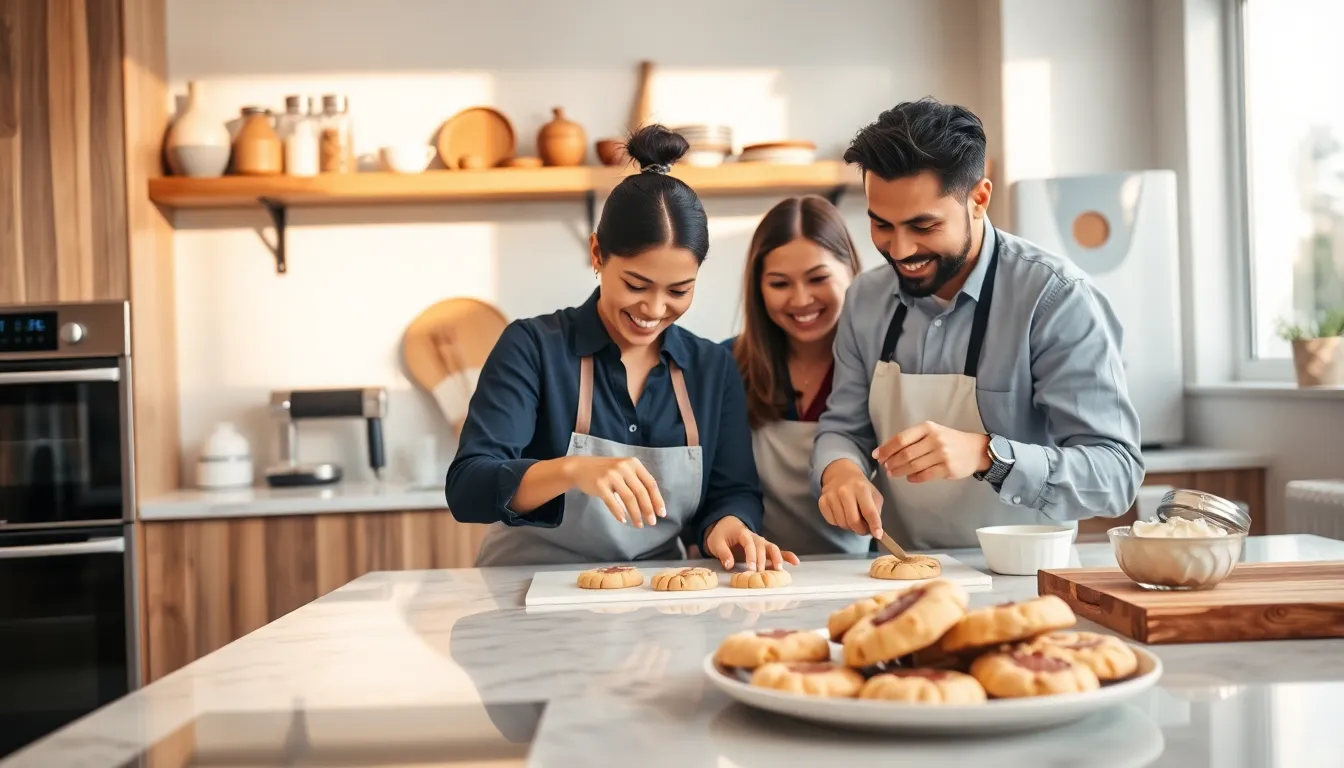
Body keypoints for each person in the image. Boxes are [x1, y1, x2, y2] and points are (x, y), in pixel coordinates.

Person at [446, 124, 800, 572]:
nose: (654, 308)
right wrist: (572, 470)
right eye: (636, 284)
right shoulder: (533, 348)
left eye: (679, 290)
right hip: (525, 590)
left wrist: (728, 526)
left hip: (653, 596)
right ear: (597, 254)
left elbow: (731, 492)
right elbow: (467, 488)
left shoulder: (712, 367)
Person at [811, 97, 1144, 550]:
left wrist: (988, 455)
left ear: (979, 200)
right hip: (904, 574)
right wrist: (841, 471)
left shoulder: (1055, 298)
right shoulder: (865, 300)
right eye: (881, 225)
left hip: (1028, 577)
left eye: (923, 226)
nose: (901, 250)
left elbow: (1116, 475)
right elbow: (843, 428)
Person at [724, 195, 870, 556]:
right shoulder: (726, 365)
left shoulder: (881, 367)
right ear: (758, 287)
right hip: (758, 574)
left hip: (862, 574)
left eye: (818, 278)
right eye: (779, 283)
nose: (801, 299)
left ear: (851, 271)